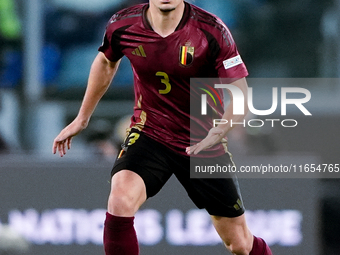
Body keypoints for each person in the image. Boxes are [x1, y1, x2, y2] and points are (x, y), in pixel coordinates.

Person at [52, 1, 273, 254]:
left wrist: (221, 129)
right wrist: (82, 118)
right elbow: (105, 62)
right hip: (150, 132)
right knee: (120, 198)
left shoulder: (212, 30)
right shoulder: (123, 24)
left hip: (202, 140)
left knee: (239, 244)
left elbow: (240, 94)